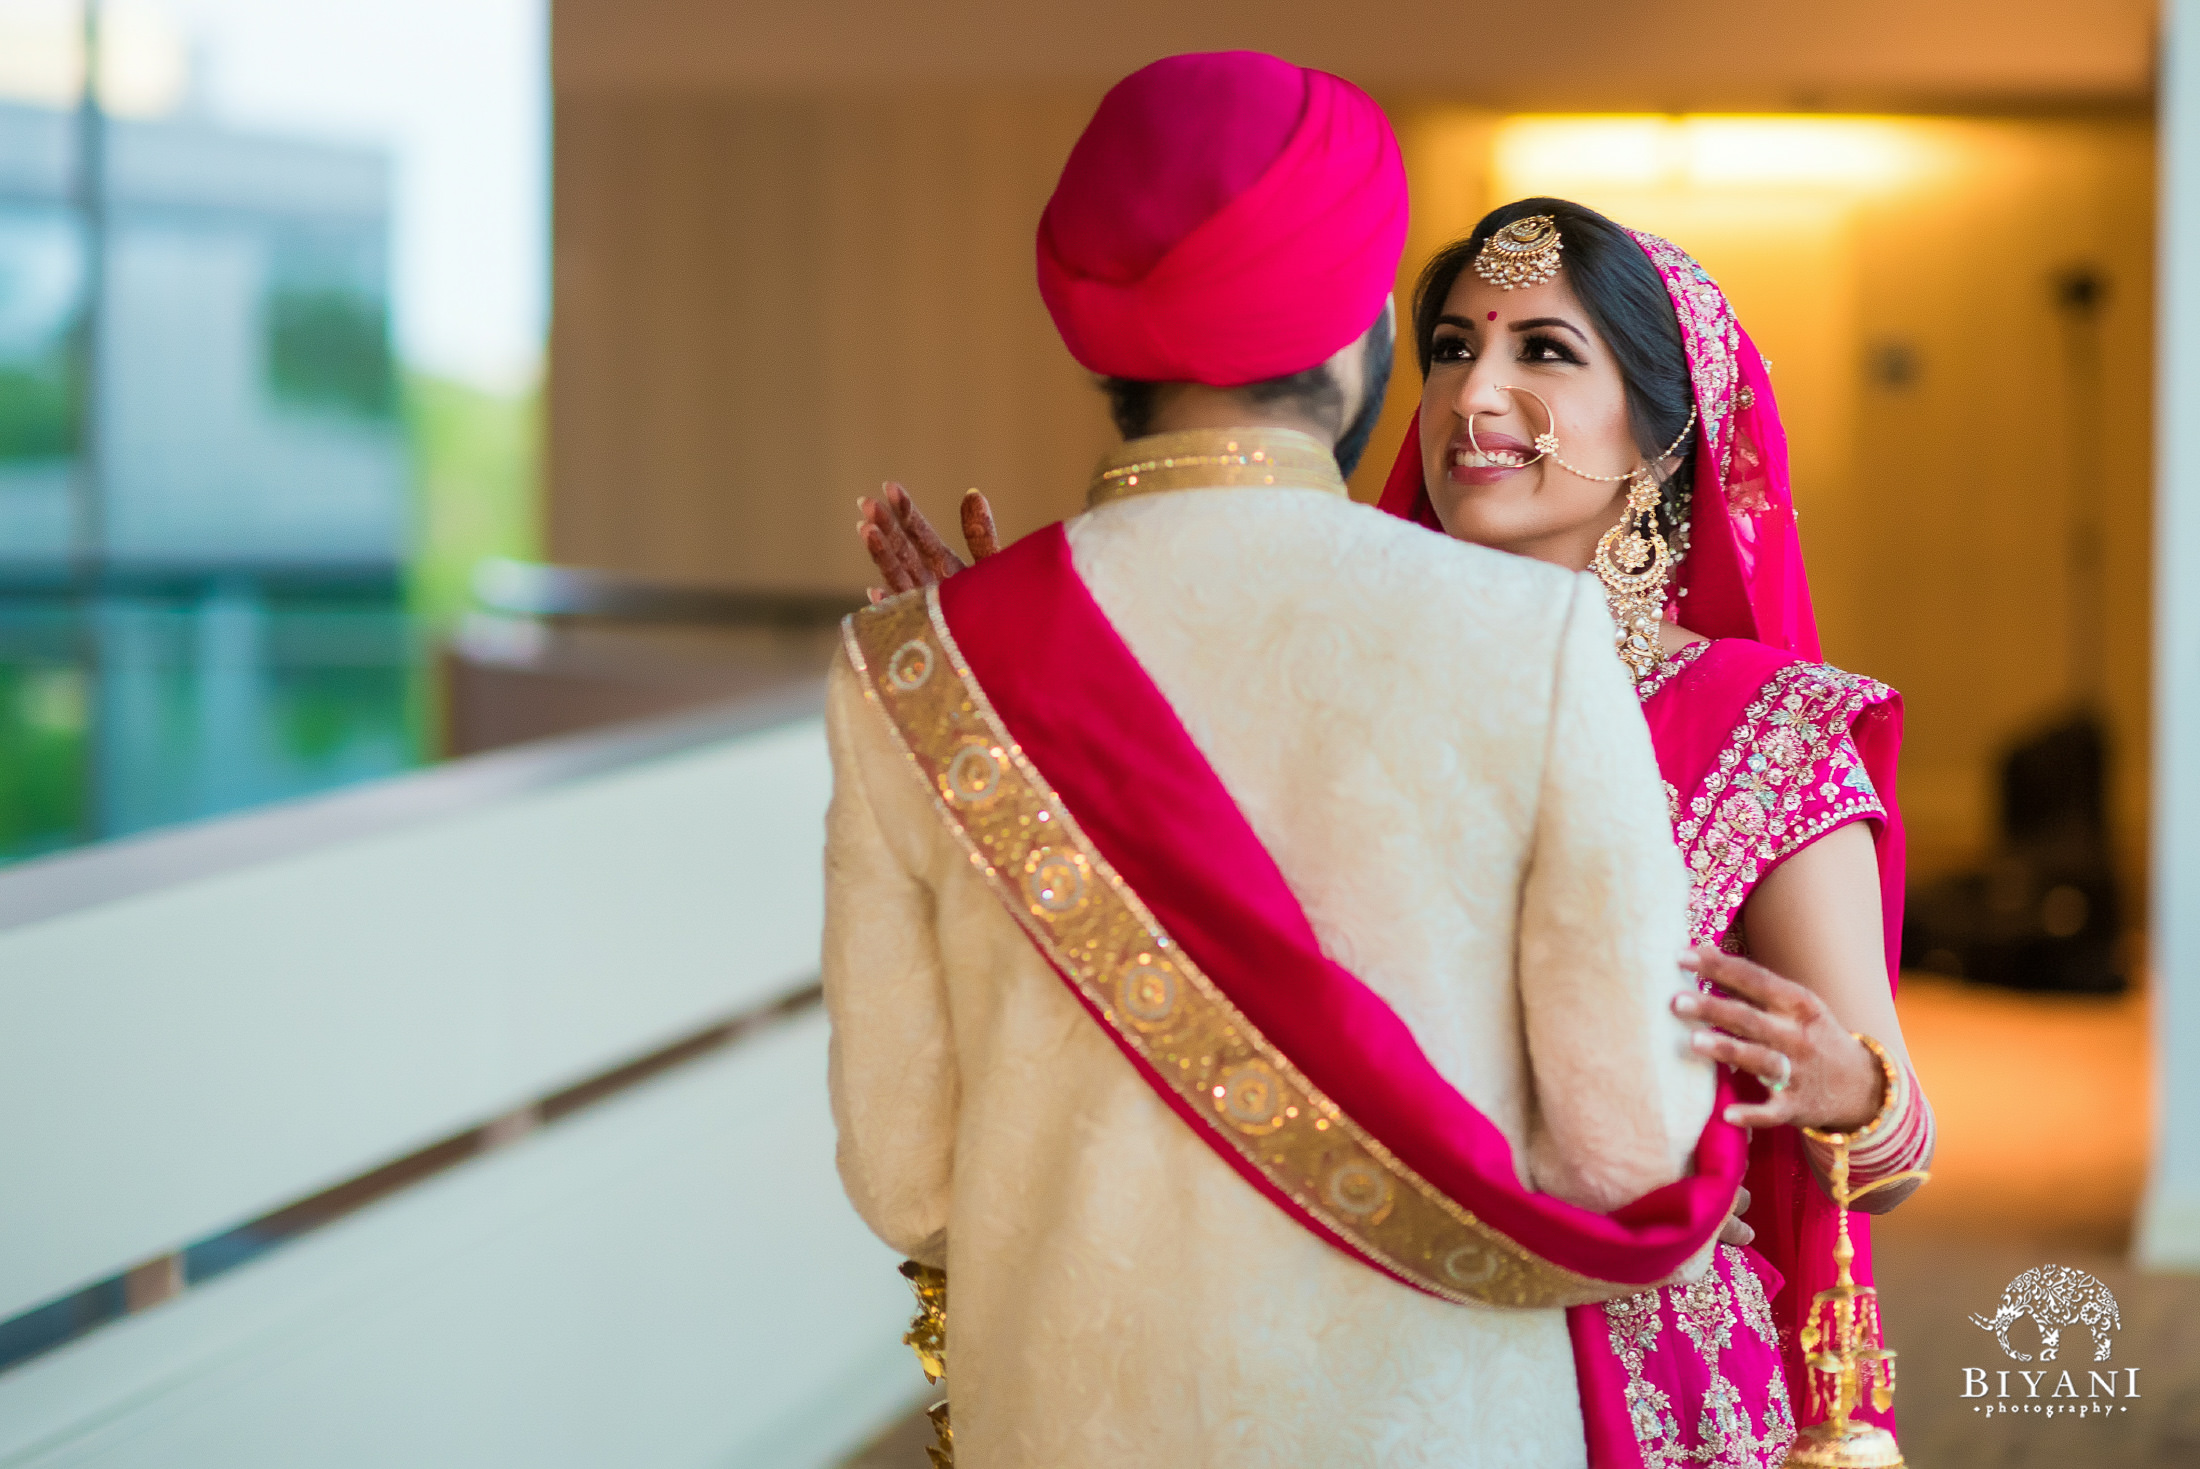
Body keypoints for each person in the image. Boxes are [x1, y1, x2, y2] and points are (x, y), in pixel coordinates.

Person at [860, 198, 1938, 1469]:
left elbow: (1897, 1143)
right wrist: (998, 682)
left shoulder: (1768, 729)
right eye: (1447, 347)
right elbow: (1163, 951)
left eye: (1543, 349)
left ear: (1661, 425)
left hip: (1640, 1392)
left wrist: (1850, 1090)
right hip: (1335, 1343)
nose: (1472, 391)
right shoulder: (1311, 675)